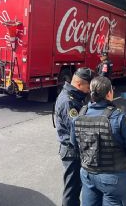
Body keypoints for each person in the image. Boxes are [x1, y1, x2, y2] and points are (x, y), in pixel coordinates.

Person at [71, 76, 126, 206]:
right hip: (114, 179)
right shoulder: (119, 118)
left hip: (88, 175)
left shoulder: (78, 117)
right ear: (109, 93)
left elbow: (75, 145)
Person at [54, 67, 93, 206]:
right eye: (88, 87)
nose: (89, 91)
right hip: (72, 152)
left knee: (76, 188)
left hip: (74, 151)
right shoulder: (68, 101)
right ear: (79, 84)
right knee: (72, 191)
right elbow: (76, 130)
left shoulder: (76, 96)